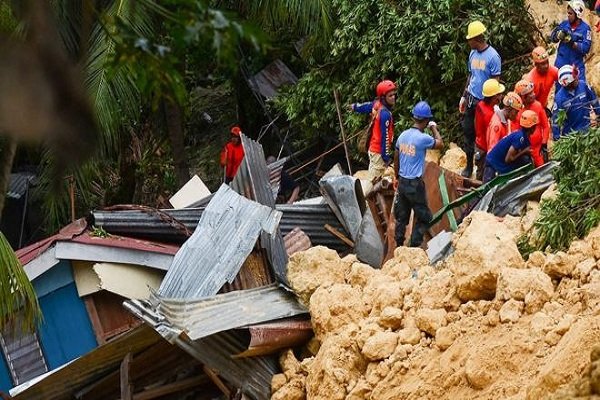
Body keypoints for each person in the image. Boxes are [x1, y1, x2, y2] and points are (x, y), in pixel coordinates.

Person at [393, 101, 443, 248]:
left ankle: (399, 246)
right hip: (415, 184)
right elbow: (440, 144)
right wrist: (433, 128)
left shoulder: (403, 135)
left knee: (402, 218)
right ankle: (414, 247)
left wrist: (396, 175)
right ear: (426, 120)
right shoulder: (423, 139)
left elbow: (396, 156)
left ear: (414, 118)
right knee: (425, 217)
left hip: (402, 182)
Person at [459, 20, 502, 178]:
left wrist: (493, 103)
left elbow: (495, 82)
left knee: (484, 137)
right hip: (471, 99)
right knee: (468, 132)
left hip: (484, 103)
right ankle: (469, 166)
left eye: (470, 38)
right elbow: (471, 76)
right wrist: (464, 96)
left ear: (476, 38)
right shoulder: (472, 54)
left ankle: (484, 170)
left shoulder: (493, 57)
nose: (468, 41)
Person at [350, 80, 397, 182]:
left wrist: (354, 107)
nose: (393, 97)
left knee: (379, 180)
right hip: (379, 152)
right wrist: (386, 157)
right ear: (383, 97)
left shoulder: (377, 104)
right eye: (390, 96)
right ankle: (365, 197)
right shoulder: (385, 114)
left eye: (394, 94)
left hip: (374, 149)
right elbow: (385, 137)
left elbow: (365, 106)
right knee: (373, 183)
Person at [483, 110, 539, 183]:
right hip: (493, 165)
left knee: (526, 160)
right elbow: (508, 159)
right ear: (532, 127)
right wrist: (524, 151)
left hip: (496, 163)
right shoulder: (520, 138)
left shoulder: (522, 135)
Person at [552, 64, 600, 140]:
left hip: (587, 130)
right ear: (568, 83)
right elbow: (555, 120)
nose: (578, 78)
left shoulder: (583, 85)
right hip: (571, 136)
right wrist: (557, 137)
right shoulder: (559, 99)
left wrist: (598, 114)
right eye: (575, 79)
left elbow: (593, 100)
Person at [550, 0, 591, 82]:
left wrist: (572, 43)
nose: (568, 15)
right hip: (561, 63)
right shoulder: (564, 24)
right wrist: (557, 36)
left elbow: (586, 48)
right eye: (567, 13)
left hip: (576, 65)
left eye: (570, 13)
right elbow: (552, 38)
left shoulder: (585, 29)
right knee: (560, 90)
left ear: (578, 14)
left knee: (580, 89)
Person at [474, 79, 505, 180]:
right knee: (484, 175)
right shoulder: (490, 115)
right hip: (485, 148)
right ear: (494, 97)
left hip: (479, 143)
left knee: (481, 172)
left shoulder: (481, 105)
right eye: (499, 94)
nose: (501, 96)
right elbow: (492, 137)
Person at [514, 79, 549, 165]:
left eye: (532, 92)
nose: (533, 95)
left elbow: (545, 126)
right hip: (525, 150)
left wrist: (544, 143)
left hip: (539, 148)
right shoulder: (516, 112)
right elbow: (515, 134)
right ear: (522, 97)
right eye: (529, 94)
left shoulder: (537, 106)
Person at [526, 46, 559, 113]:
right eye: (543, 64)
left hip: (543, 105)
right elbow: (527, 103)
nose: (546, 66)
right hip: (531, 111)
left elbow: (563, 79)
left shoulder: (552, 71)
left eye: (547, 62)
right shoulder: (531, 80)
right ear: (536, 64)